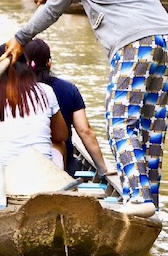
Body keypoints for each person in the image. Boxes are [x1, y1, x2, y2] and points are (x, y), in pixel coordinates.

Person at [2, 0, 168, 218]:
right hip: (167, 38)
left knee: (119, 121)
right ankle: (149, 198)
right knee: (151, 125)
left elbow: (53, 10)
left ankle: (137, 198)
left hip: (133, 44)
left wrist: (20, 37)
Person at [24, 38, 113, 178]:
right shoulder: (68, 89)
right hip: (62, 165)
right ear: (49, 62)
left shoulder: (14, 90)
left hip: (20, 160)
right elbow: (85, 131)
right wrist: (102, 168)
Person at [0, 44, 68, 169]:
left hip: (4, 167)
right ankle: (60, 181)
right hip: (41, 168)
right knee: (59, 145)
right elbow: (61, 135)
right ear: (28, 66)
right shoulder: (46, 90)